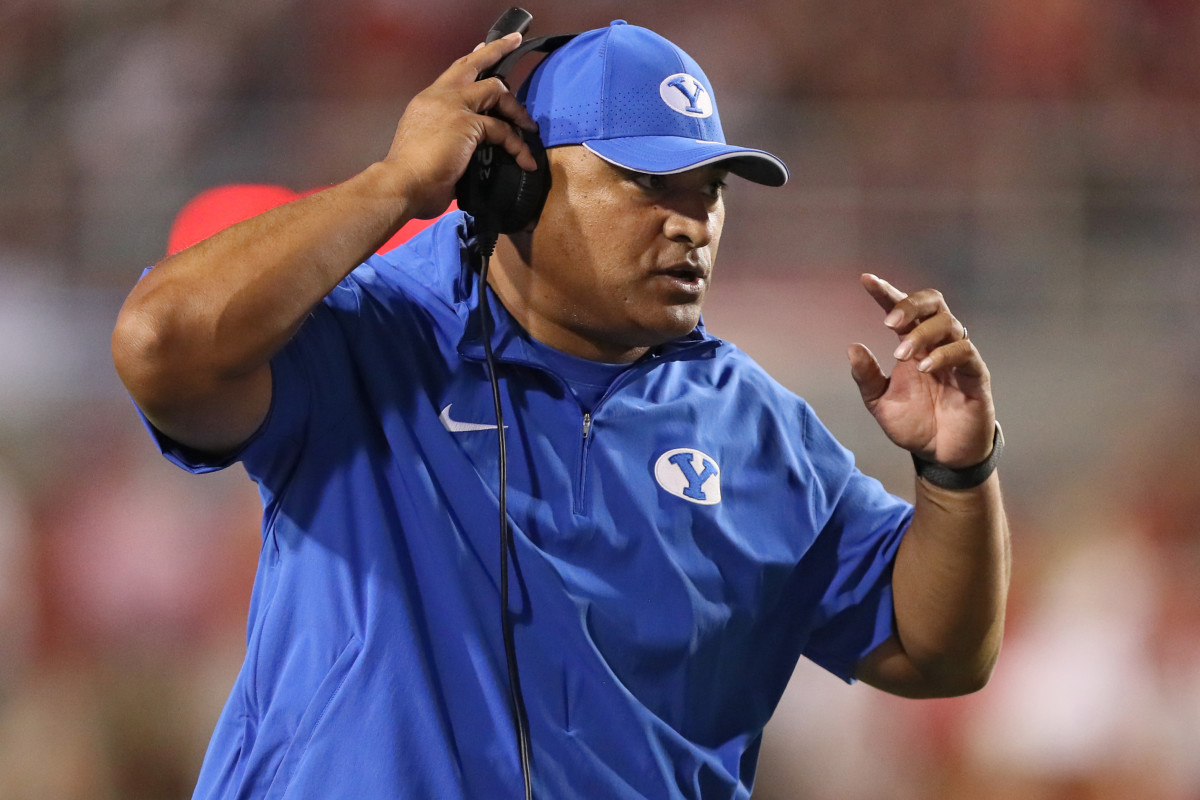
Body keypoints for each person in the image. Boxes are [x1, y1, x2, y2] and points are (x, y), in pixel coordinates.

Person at [111, 19, 1009, 800]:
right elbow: (161, 345)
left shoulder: (756, 430)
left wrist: (957, 473)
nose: (691, 223)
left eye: (711, 191)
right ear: (518, 182)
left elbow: (936, 651)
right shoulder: (372, 339)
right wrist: (393, 186)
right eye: (650, 184)